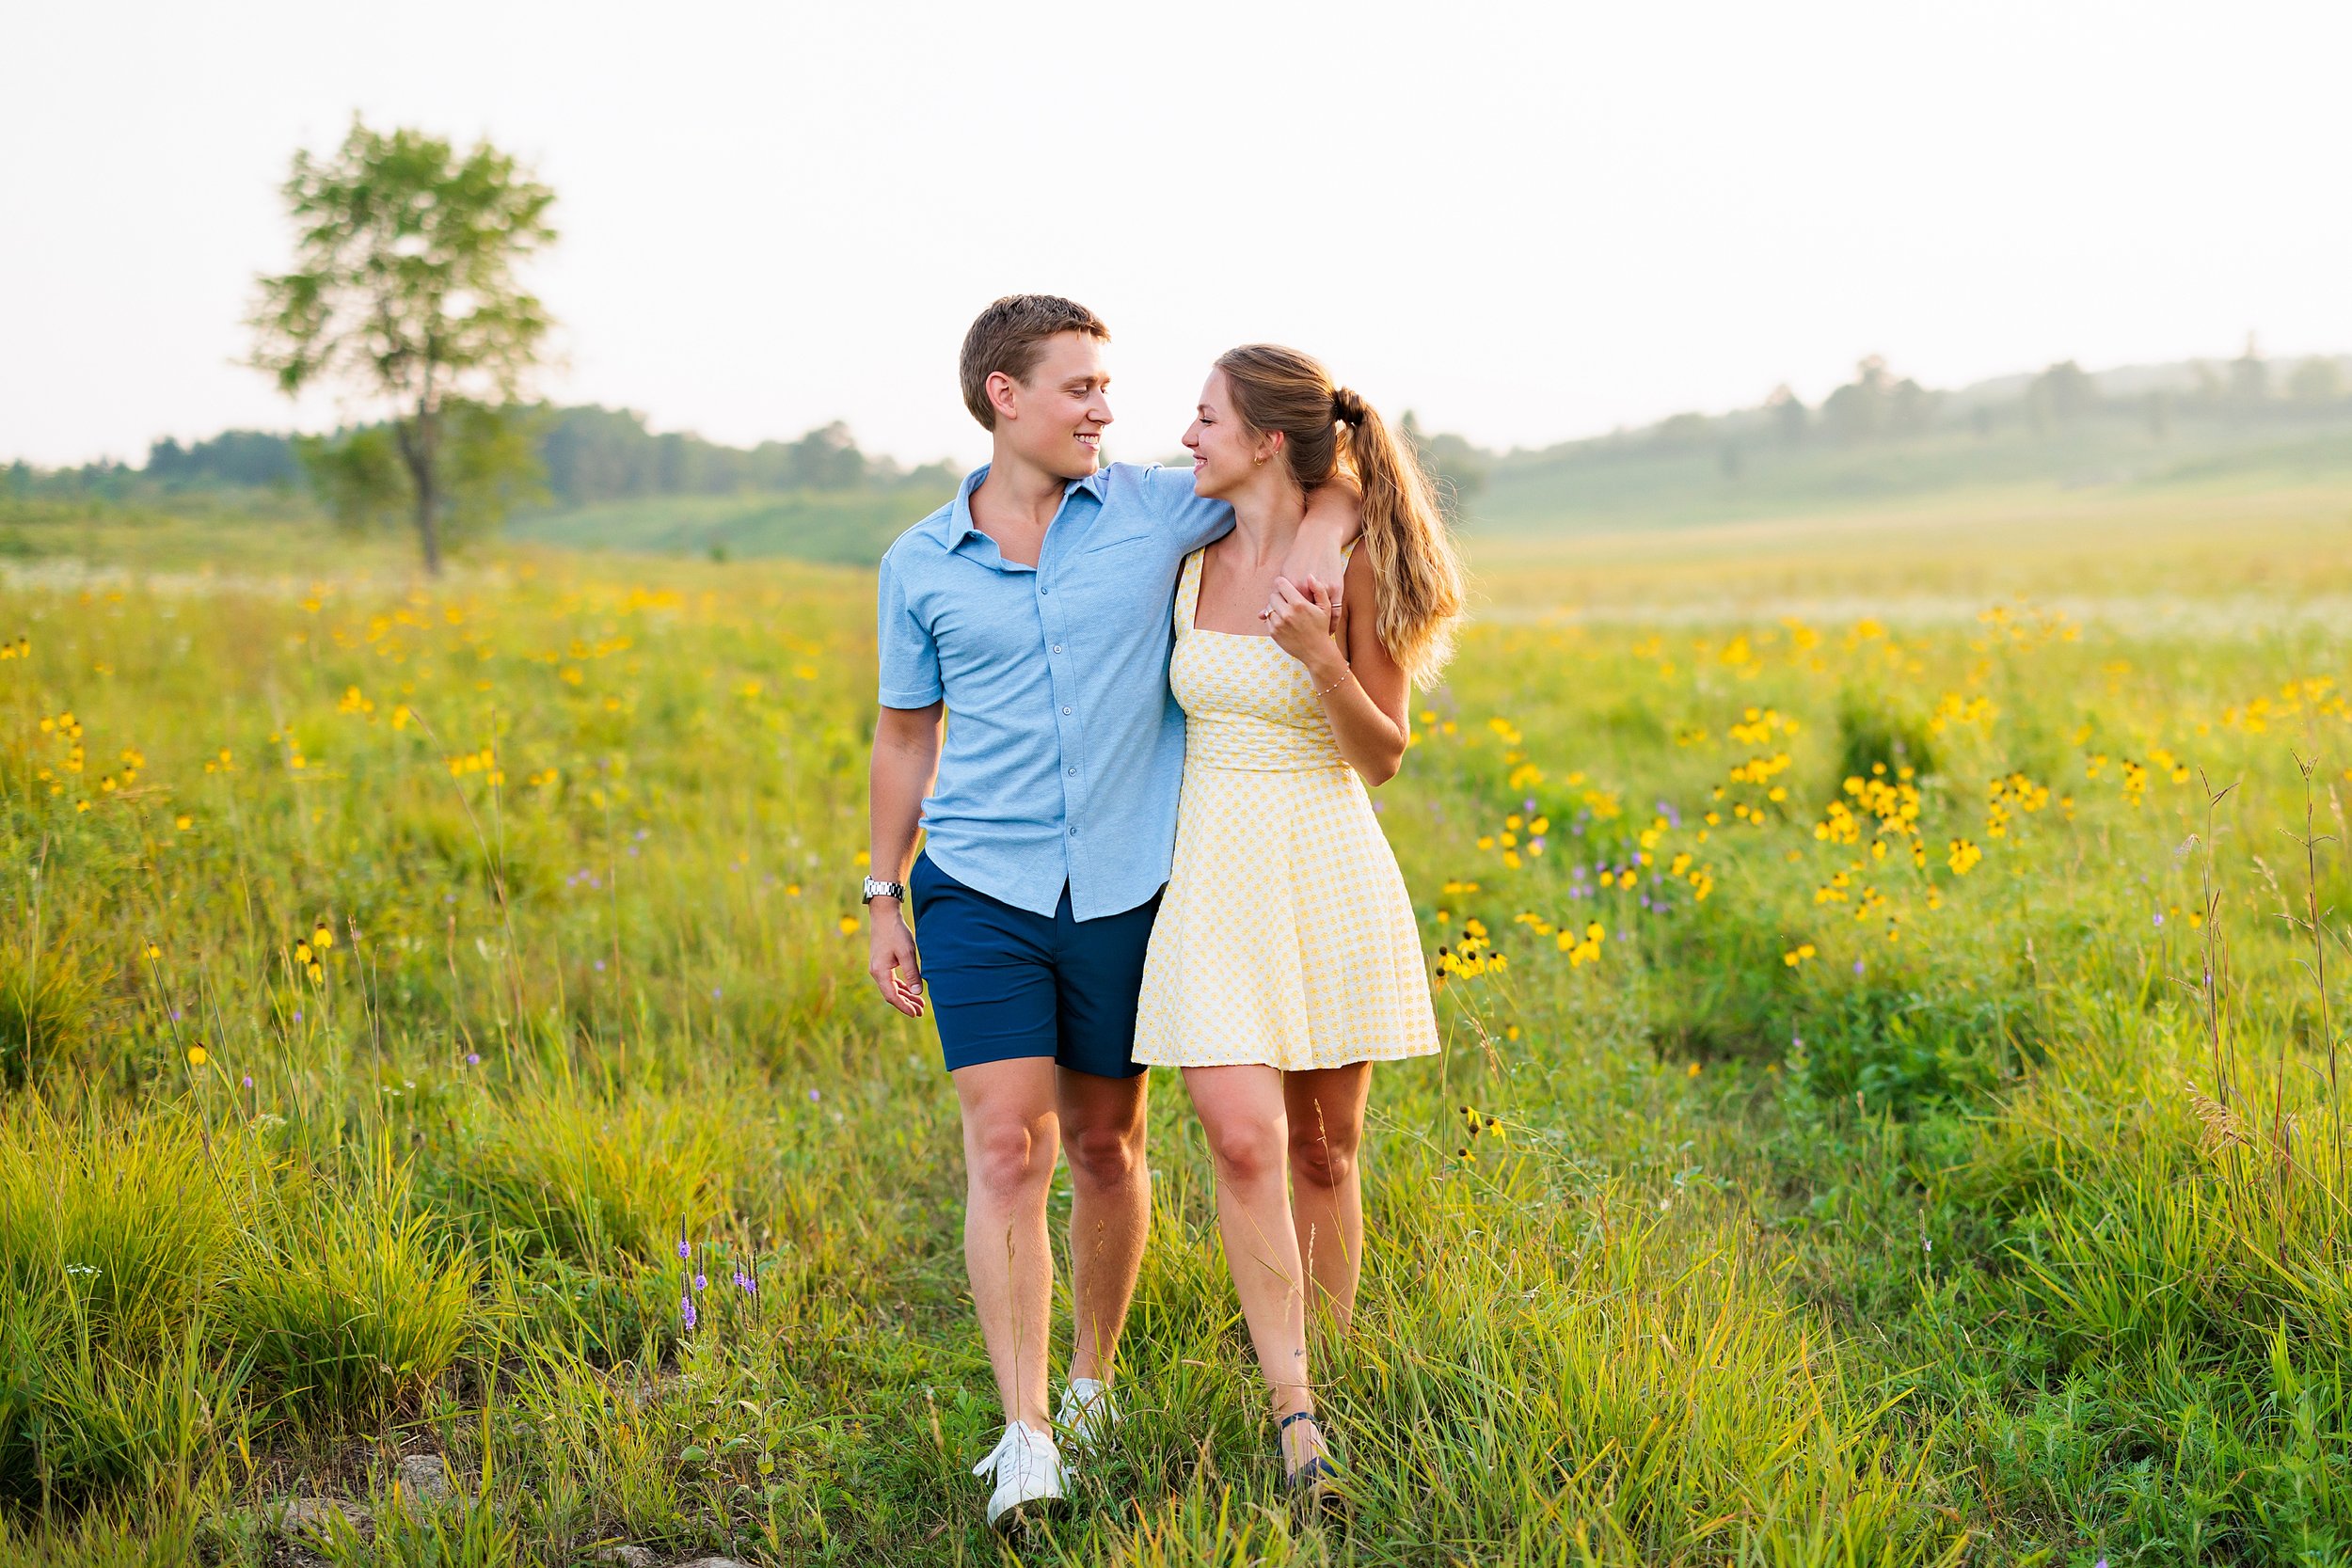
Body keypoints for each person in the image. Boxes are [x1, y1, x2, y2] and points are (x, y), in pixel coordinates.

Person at [863, 297, 1359, 1532]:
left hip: (1133, 883)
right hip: (979, 884)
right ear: (1002, 397)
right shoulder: (919, 562)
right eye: (1080, 387)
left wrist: (1339, 519)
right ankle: (1024, 1429)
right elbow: (906, 730)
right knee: (1006, 1145)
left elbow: (1316, 468)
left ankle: (1091, 1381)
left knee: (1103, 1147)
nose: (1106, 409)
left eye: (1107, 386)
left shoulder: (1151, 507)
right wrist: (882, 888)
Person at [1130, 343, 1462, 1505]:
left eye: (1206, 416)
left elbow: (1381, 755)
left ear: (1267, 438)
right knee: (1241, 1137)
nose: (1185, 435)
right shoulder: (1186, 548)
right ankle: (1294, 1408)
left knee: (1326, 1148)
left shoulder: (1355, 564)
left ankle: (1336, 1360)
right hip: (1210, 877)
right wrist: (1327, 503)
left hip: (1326, 864)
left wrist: (1322, 654)